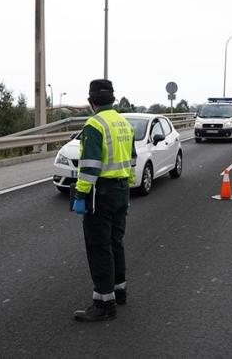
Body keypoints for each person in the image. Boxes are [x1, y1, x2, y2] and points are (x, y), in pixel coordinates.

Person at [71, 79, 137, 322]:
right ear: (113, 99)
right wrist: (127, 189)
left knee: (99, 247)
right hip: (120, 190)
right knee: (115, 242)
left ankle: (104, 302)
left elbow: (89, 167)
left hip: (101, 193)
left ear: (91, 102)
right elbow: (132, 161)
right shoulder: (124, 123)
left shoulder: (94, 125)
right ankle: (119, 291)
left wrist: (80, 195)